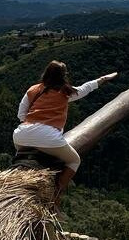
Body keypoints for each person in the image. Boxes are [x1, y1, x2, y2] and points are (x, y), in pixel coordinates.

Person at [13, 60, 117, 201]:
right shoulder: (66, 91)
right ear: (63, 76)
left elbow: (21, 115)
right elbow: (85, 88)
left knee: (23, 158)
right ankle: (55, 196)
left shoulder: (33, 90)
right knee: (74, 161)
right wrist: (103, 79)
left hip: (21, 134)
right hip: (48, 137)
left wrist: (34, 124)